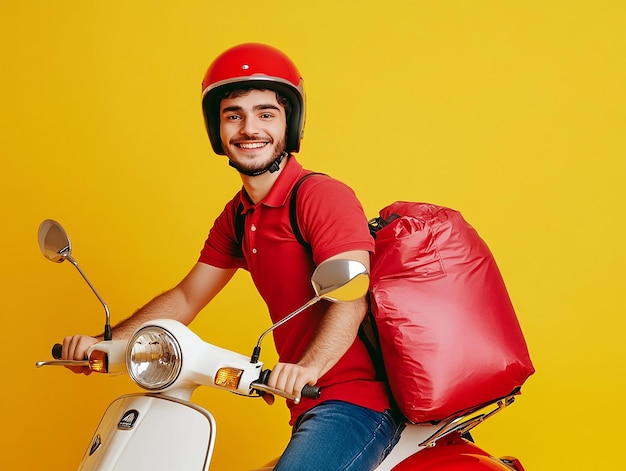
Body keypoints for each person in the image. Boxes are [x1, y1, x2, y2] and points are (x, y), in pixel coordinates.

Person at [61, 43, 403, 470]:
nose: (248, 128)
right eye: (233, 114)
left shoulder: (320, 196)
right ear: (217, 130)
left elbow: (350, 296)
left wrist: (307, 368)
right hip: (306, 404)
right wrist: (105, 343)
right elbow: (187, 297)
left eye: (265, 113)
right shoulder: (239, 216)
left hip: (356, 403)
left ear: (289, 123)